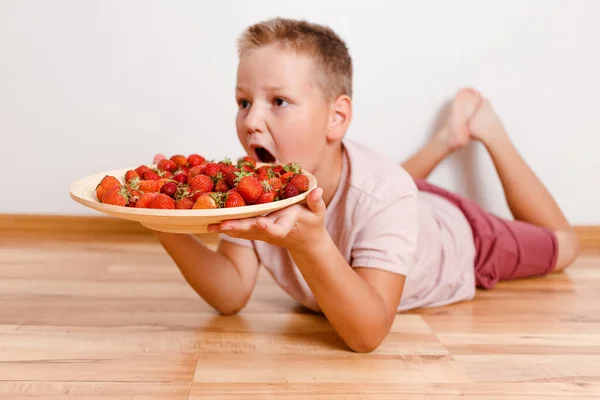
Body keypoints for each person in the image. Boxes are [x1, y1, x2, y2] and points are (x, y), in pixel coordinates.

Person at [154, 18, 579, 353]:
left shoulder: (385, 193)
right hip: (394, 199)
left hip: (462, 237)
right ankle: (444, 142)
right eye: (243, 102)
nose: (250, 120)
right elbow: (230, 293)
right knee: (388, 189)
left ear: (336, 118)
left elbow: (368, 333)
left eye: (278, 101)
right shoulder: (254, 187)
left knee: (565, 246)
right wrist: (158, 219)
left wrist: (309, 243)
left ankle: (487, 130)